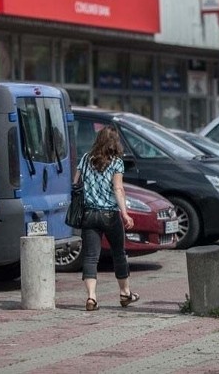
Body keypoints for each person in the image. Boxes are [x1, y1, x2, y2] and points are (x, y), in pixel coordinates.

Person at [73, 125, 137, 311]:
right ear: (114, 143)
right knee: (119, 253)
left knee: (91, 256)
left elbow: (75, 183)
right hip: (110, 214)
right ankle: (125, 293)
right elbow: (118, 189)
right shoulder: (116, 162)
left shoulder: (85, 159)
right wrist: (124, 213)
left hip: (89, 214)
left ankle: (91, 297)